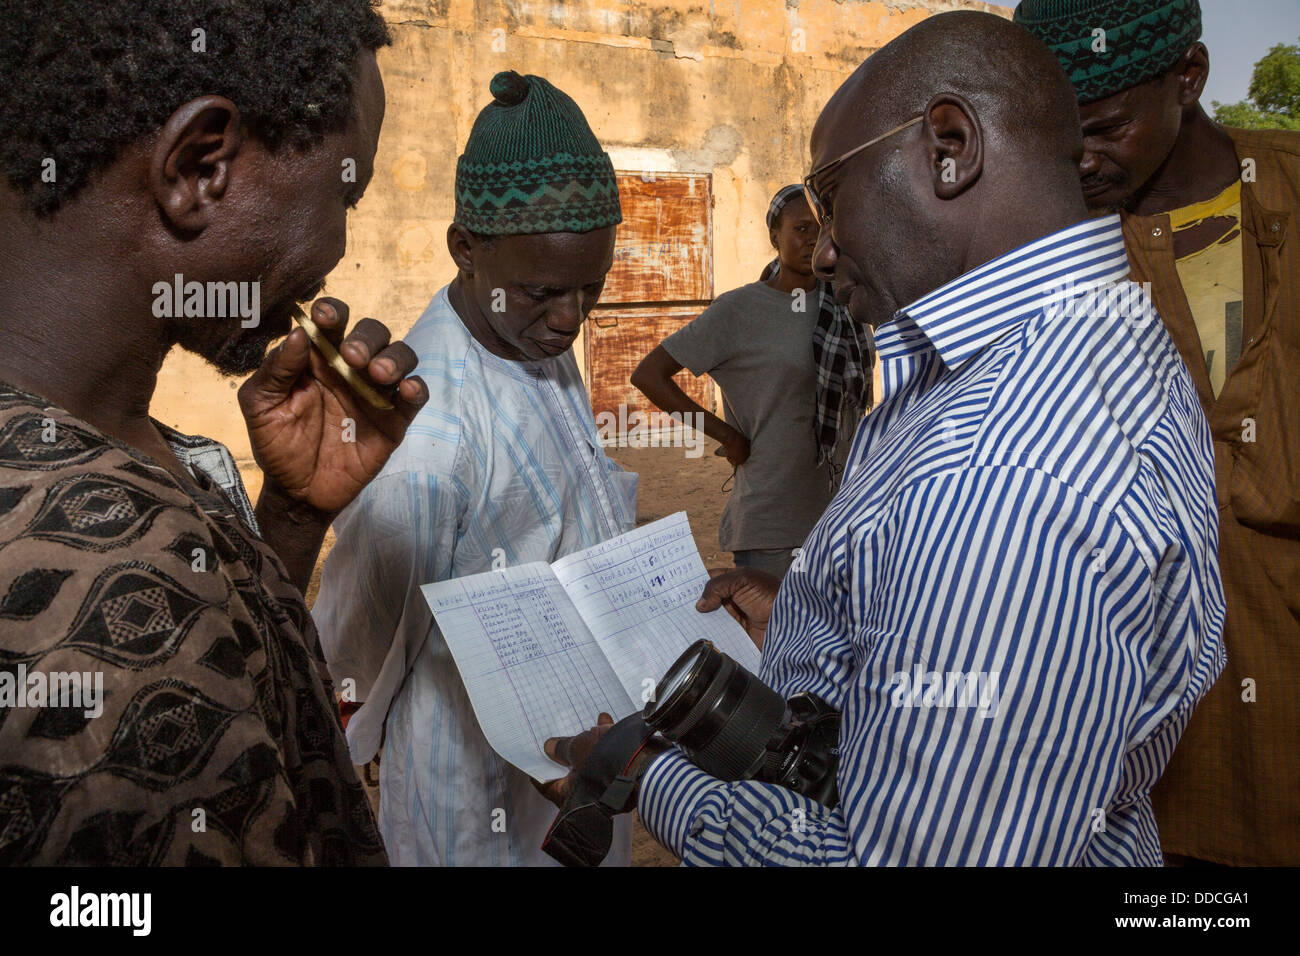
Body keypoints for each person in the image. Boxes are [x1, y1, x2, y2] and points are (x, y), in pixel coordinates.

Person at [540, 9, 1225, 866]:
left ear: (950, 146)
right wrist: (820, 620)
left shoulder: (998, 484)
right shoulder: (1103, 332)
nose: (822, 250)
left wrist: (649, 775)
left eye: (831, 197)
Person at [0, 0, 429, 864]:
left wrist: (293, 518)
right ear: (199, 166)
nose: (338, 246)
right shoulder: (117, 587)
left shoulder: (106, 453)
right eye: (347, 192)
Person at [312, 71, 637, 866]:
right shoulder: (427, 435)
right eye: (544, 292)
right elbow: (353, 651)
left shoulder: (531, 339)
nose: (571, 320)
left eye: (590, 289)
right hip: (476, 800)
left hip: (591, 755)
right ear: (465, 247)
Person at [1015, 0, 1300, 867]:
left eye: (1104, 129)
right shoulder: (1053, 248)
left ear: (1190, 78)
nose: (1083, 160)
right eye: (1061, 138)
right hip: (1148, 739)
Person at [631, 185, 869, 579]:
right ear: (774, 236)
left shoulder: (845, 304)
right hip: (774, 519)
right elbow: (649, 376)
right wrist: (728, 437)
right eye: (800, 228)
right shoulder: (740, 310)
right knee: (774, 637)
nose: (812, 238)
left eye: (821, 227)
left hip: (841, 512)